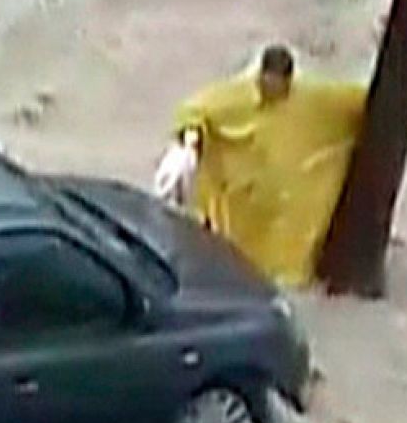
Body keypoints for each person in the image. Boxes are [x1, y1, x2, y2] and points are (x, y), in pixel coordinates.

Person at [155, 45, 367, 288]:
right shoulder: (235, 99)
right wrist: (187, 144)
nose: (273, 89)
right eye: (268, 81)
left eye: (279, 83)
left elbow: (363, 103)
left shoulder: (315, 102)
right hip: (238, 222)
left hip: (287, 238)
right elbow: (194, 110)